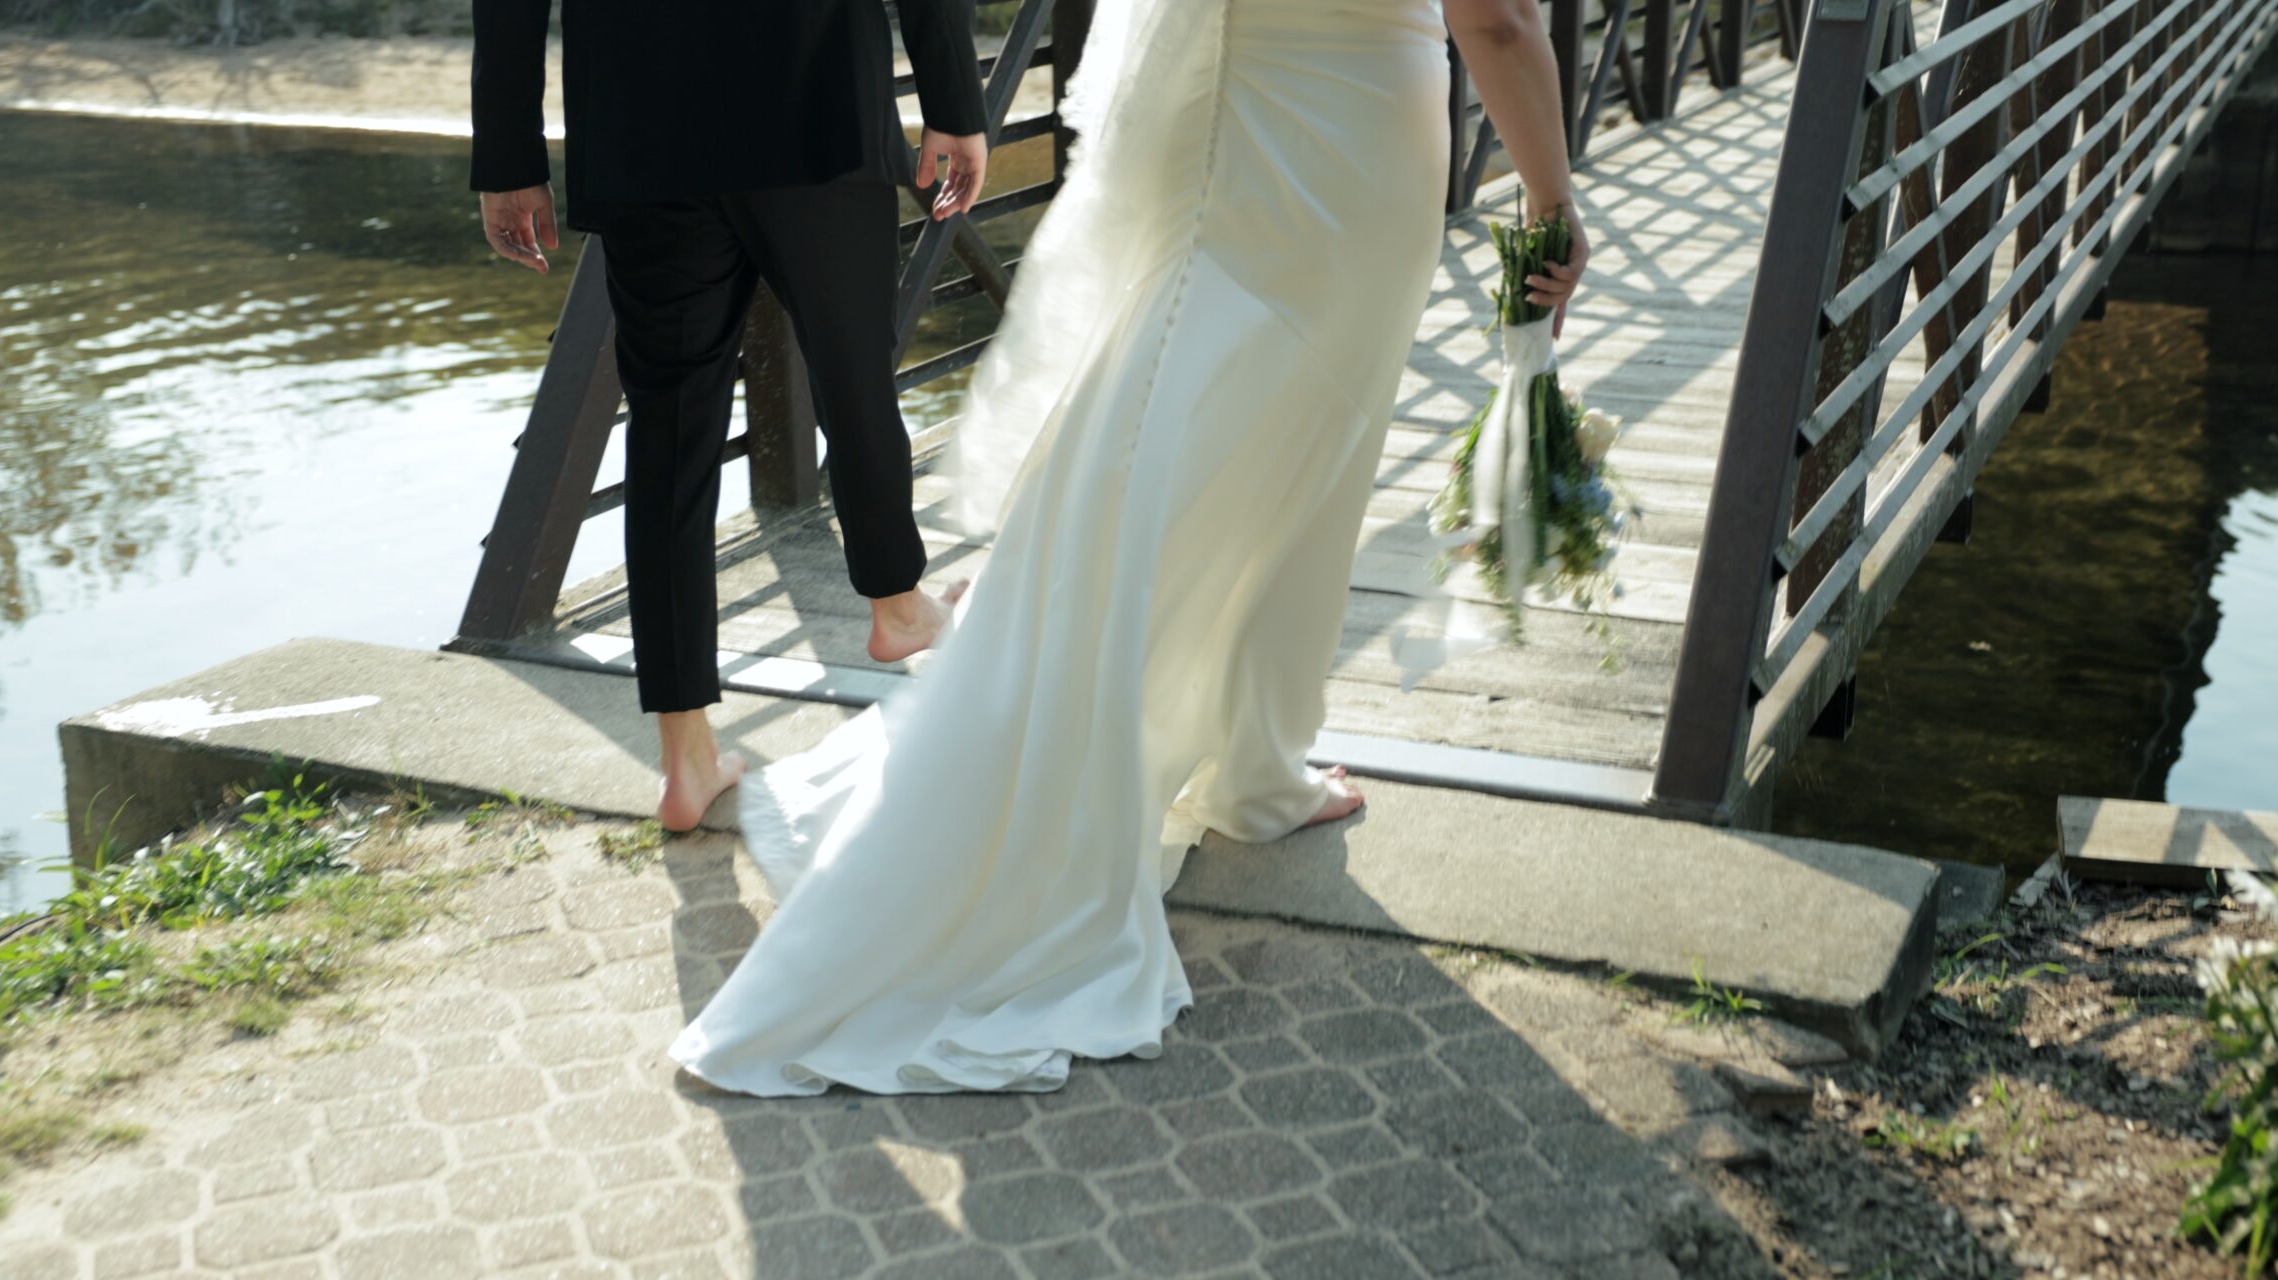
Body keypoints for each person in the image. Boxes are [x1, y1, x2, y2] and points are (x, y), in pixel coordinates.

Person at [670, 0, 1590, 1097]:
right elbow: (1496, 18)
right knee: (1301, 464)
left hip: (1245, 126)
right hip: (1355, 143)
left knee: (1192, 438)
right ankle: (1237, 765)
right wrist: (1552, 199)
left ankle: (1246, 758)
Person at [468, 0, 990, 831]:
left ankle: (684, 755)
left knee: (670, 438)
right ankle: (895, 606)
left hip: (644, 129)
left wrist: (508, 158)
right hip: (815, 97)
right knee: (855, 379)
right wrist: (955, 104)